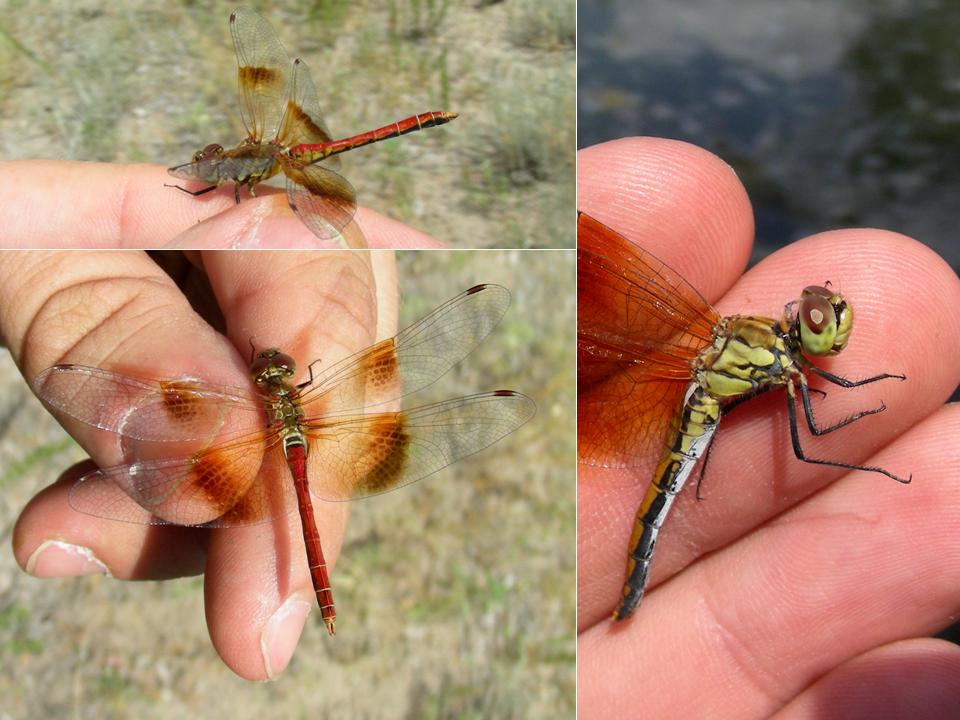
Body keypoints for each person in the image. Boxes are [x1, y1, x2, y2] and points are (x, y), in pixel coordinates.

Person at [578, 137, 960, 718]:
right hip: (689, 412)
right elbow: (810, 446)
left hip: (700, 399)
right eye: (817, 316)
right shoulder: (785, 367)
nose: (824, 323)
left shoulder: (774, 354)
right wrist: (869, 440)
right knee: (784, 460)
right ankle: (631, 592)